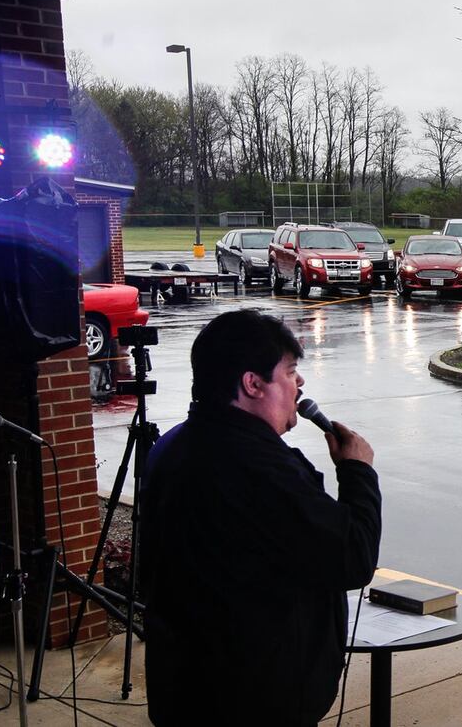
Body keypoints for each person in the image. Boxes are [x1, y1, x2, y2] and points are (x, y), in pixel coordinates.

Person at [141, 309, 381, 725]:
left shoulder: (174, 445)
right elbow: (352, 557)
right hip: (252, 698)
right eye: (289, 372)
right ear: (253, 383)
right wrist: (358, 472)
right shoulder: (260, 469)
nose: (299, 383)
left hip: (188, 688)